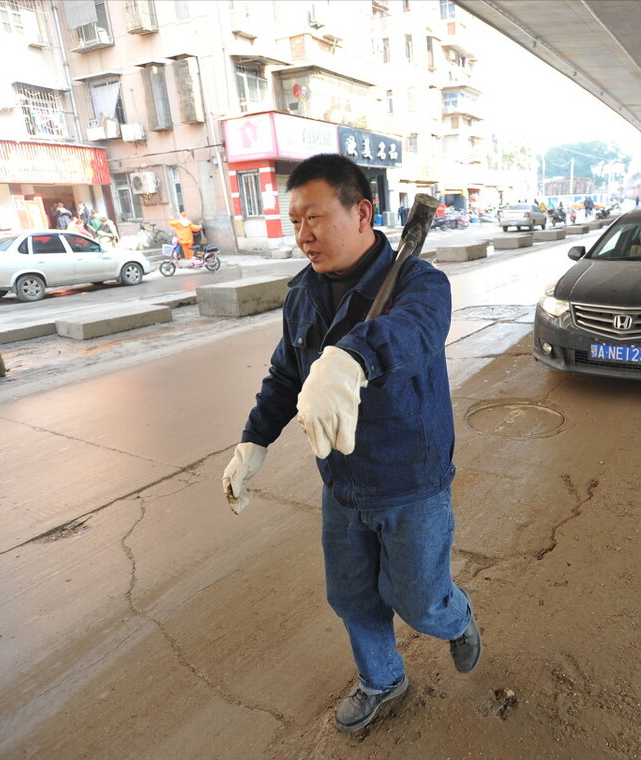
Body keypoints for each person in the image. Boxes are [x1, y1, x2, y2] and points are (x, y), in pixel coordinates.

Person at [221, 153, 481, 734]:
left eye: (314, 217)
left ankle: (455, 616)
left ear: (362, 212)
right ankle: (383, 679)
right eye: (294, 222)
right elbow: (287, 373)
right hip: (341, 482)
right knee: (354, 598)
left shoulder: (421, 283)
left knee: (419, 601)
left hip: (411, 481)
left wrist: (351, 357)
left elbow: (413, 330)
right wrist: (253, 441)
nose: (302, 235)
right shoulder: (303, 295)